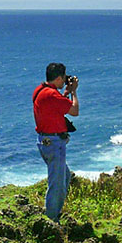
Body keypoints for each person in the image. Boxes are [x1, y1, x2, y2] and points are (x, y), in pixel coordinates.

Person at [32, 62, 79, 222]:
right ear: (58, 78)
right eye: (63, 78)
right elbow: (74, 111)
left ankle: (54, 214)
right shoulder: (52, 95)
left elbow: (56, 105)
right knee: (57, 184)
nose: (65, 80)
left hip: (45, 141)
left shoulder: (40, 91)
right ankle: (52, 220)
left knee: (64, 176)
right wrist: (73, 93)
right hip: (54, 143)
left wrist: (65, 92)